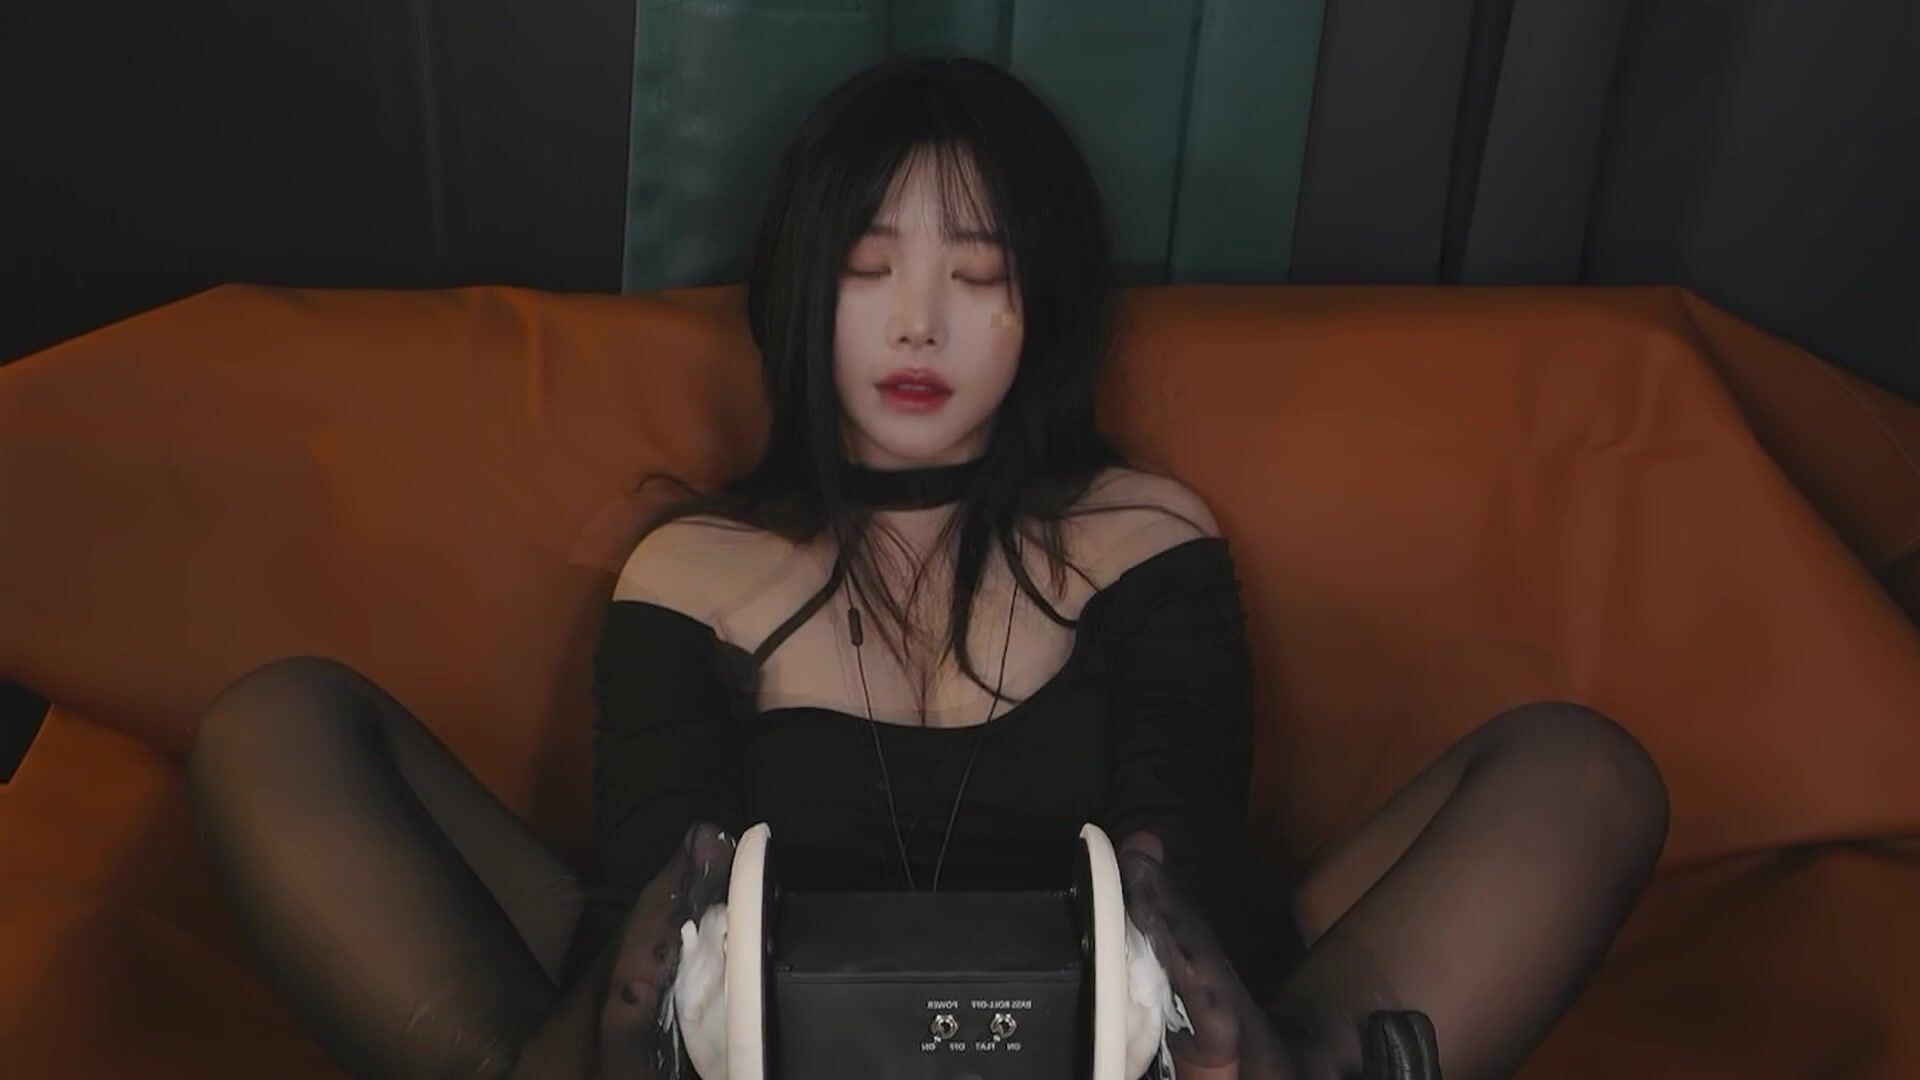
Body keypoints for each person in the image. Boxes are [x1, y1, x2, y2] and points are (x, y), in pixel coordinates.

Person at [186, 55, 1671, 1080]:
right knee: (278, 719)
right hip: (747, 1038)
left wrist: (1191, 1012)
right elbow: (663, 901)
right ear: (799, 292)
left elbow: (1187, 863)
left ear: (1045, 309)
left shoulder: (1141, 529)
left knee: (1579, 768)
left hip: (1128, 1036)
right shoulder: (693, 567)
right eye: (867, 269)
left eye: (976, 273)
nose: (918, 325)